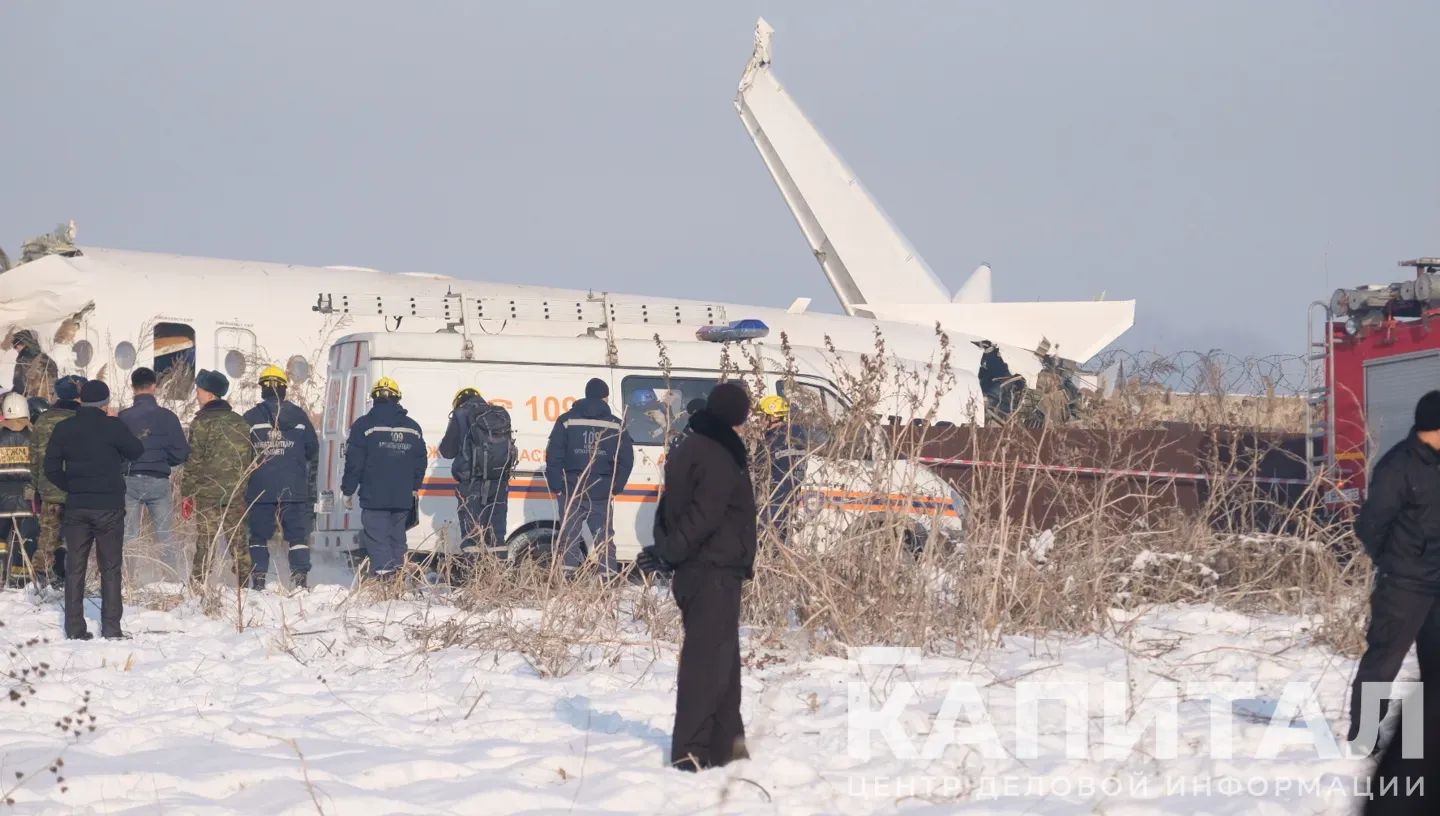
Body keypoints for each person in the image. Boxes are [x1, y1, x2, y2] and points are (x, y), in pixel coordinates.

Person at [645, 382, 757, 771]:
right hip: (712, 570)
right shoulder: (718, 453)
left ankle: (729, 747)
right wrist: (669, 552)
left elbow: (667, 507)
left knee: (723, 661)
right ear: (737, 417)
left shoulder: (690, 444)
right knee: (705, 664)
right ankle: (691, 753)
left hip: (707, 569)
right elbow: (704, 515)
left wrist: (665, 548)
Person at [1348, 390, 1440, 747]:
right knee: (1384, 661)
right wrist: (1397, 565)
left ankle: (1423, 739)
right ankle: (1364, 737)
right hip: (1405, 586)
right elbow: (1370, 526)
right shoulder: (1397, 465)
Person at [43, 380, 143, 640]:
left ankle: (74, 629)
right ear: (105, 403)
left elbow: (51, 468)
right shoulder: (113, 426)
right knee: (110, 567)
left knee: (75, 566)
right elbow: (136, 450)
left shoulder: (64, 428)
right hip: (109, 507)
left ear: (80, 400)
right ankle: (111, 628)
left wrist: (73, 487)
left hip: (77, 506)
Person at [545, 377, 634, 575]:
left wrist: (556, 486)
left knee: (569, 538)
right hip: (602, 491)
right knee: (604, 540)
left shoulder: (566, 420)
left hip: (572, 488)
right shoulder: (616, 424)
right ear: (605, 397)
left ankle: (568, 583)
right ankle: (607, 581)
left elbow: (554, 455)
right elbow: (626, 460)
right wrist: (615, 487)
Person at [340, 377, 426, 578]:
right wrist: (414, 487)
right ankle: (397, 579)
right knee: (397, 539)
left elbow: (354, 463)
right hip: (402, 497)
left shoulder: (363, 426)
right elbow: (420, 461)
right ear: (397, 398)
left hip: (374, 495)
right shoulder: (413, 427)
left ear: (374, 398)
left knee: (378, 539)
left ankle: (385, 581)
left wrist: (348, 490)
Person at [243, 366, 319, 590]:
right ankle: (300, 580)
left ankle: (258, 580)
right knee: (297, 537)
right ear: (284, 389)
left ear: (262, 389)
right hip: (293, 488)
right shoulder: (299, 416)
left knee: (258, 536)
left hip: (260, 488)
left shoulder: (250, 417)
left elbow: (241, 452)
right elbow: (312, 449)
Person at [179, 370, 255, 588]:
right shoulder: (241, 423)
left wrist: (187, 494)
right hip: (236, 493)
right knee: (238, 539)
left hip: (207, 494)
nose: (197, 395)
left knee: (206, 541)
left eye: (199, 391)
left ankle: (199, 583)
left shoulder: (201, 423)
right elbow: (249, 459)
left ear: (210, 394)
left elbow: (193, 461)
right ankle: (244, 582)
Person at [118, 367, 189, 565]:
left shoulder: (123, 417)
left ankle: (129, 579)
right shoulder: (168, 417)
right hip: (159, 480)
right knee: (165, 536)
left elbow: (115, 451)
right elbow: (181, 453)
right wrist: (164, 461)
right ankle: (169, 577)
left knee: (129, 536)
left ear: (132, 387)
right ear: (154, 387)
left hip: (129, 480)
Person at [439, 387, 516, 563]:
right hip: (498, 482)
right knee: (497, 534)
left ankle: (474, 578)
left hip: (471, 483)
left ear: (459, 401)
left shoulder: (460, 415)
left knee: (472, 534)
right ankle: (496, 579)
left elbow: (447, 451)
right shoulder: (499, 415)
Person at [29, 374, 85, 587]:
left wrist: (35, 487)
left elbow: (34, 458)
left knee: (47, 536)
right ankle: (70, 577)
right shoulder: (83, 419)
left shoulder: (43, 420)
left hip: (49, 487)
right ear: (79, 395)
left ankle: (40, 579)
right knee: (77, 538)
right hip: (77, 488)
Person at [755, 395, 811, 541]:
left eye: (762, 416)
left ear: (772, 417)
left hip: (773, 502)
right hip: (790, 500)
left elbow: (756, 466)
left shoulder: (772, 440)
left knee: (765, 543)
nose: (760, 420)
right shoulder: (799, 436)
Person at [0, 393, 39, 586]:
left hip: (1, 496)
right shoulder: (34, 435)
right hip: (27, 496)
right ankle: (20, 580)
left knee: (0, 540)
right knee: (24, 539)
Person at [11, 330, 58, 399]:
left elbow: (19, 386)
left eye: (16, 346)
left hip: (30, 402)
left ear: (24, 343)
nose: (16, 349)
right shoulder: (48, 360)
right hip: (49, 400)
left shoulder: (23, 361)